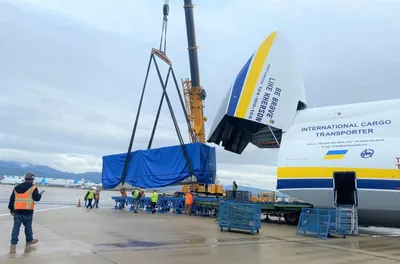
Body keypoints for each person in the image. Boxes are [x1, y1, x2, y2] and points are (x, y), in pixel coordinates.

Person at [8, 173, 45, 254]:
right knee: (28, 227)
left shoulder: (16, 187)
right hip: (28, 212)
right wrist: (40, 194)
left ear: (25, 178)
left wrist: (11, 209)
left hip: (17, 211)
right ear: (32, 179)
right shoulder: (33, 188)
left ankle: (13, 244)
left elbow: (12, 199)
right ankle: (29, 241)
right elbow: (37, 198)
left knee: (16, 228)